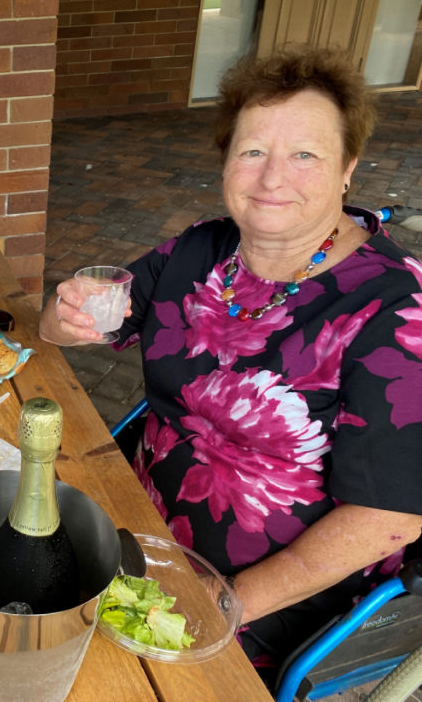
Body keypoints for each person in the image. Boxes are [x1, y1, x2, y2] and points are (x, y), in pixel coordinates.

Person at [40, 46, 422, 683]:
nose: (272, 178)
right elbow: (74, 326)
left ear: (348, 167)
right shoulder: (200, 248)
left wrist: (226, 603)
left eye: (305, 154)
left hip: (274, 595)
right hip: (139, 523)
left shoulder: (397, 310)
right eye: (252, 151)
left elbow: (388, 518)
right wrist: (64, 314)